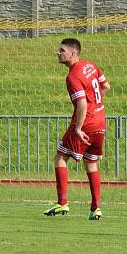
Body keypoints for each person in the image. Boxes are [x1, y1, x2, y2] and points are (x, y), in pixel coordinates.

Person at [44, 38, 110, 220]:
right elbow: (106, 85)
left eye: (61, 50)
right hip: (100, 121)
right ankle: (96, 208)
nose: (58, 53)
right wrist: (95, 103)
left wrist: (79, 128)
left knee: (60, 156)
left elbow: (81, 103)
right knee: (91, 163)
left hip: (86, 122)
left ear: (73, 53)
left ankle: (62, 203)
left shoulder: (73, 75)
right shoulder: (90, 65)